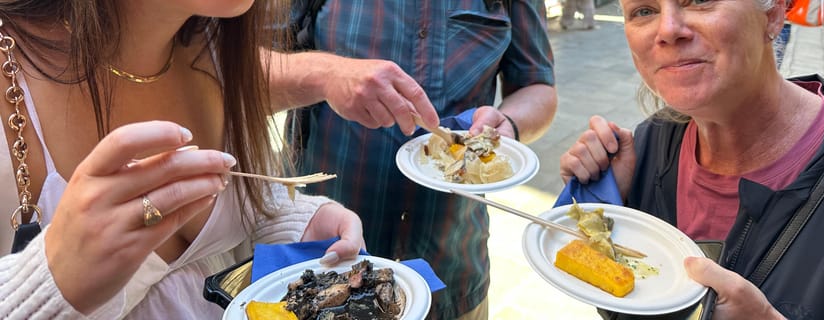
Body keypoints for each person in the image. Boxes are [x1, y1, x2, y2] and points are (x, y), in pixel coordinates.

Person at [0, 1, 365, 319]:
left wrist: (293, 222)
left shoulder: (211, 39)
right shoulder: (11, 80)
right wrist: (54, 280)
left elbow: (226, 212)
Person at [559, 0, 824, 318]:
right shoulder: (646, 146)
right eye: (644, 11)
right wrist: (613, 203)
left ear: (773, 12)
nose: (667, 30)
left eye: (699, 0)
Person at [272, 1, 557, 318]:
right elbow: (238, 71)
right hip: (323, 266)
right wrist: (327, 74)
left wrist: (507, 124)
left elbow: (538, 85)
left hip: (452, 271)